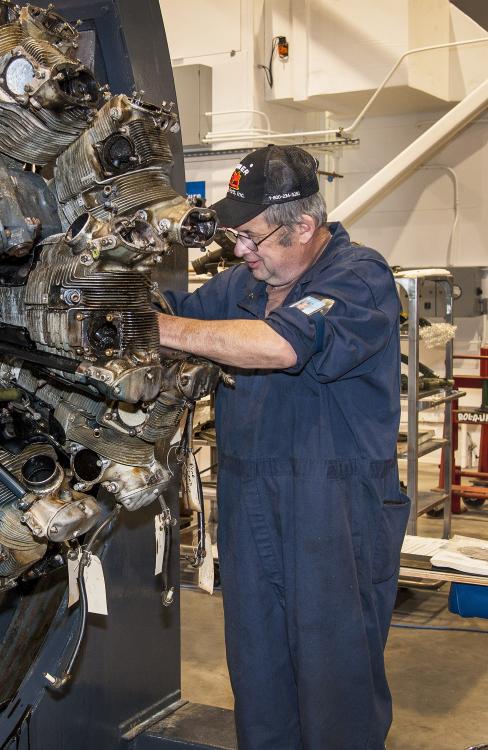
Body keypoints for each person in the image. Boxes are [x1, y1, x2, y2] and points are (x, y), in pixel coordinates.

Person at [159, 144, 410, 749]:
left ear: (303, 225)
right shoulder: (241, 286)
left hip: (335, 513)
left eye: (251, 237)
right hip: (248, 505)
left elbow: (282, 347)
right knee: (259, 677)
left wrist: (159, 329)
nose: (240, 252)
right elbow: (176, 315)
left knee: (335, 686)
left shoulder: (359, 278)